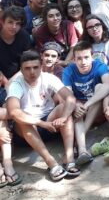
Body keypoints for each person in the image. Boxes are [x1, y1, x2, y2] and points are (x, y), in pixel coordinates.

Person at [7, 51, 78, 181]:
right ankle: (51, 163)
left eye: (35, 67)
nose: (32, 72)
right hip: (28, 130)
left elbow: (70, 98)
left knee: (63, 108)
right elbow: (14, 112)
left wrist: (64, 117)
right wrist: (41, 123)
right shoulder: (16, 84)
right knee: (22, 119)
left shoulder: (49, 78)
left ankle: (69, 157)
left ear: (41, 67)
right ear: (21, 70)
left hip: (49, 121)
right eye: (27, 68)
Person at [62, 42, 109, 166]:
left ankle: (76, 144)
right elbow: (67, 95)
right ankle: (83, 150)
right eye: (79, 58)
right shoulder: (68, 71)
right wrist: (77, 105)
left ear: (92, 57)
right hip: (80, 111)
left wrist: (87, 105)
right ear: (74, 60)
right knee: (75, 106)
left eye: (86, 57)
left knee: (100, 87)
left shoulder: (99, 66)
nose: (83, 62)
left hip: (97, 109)